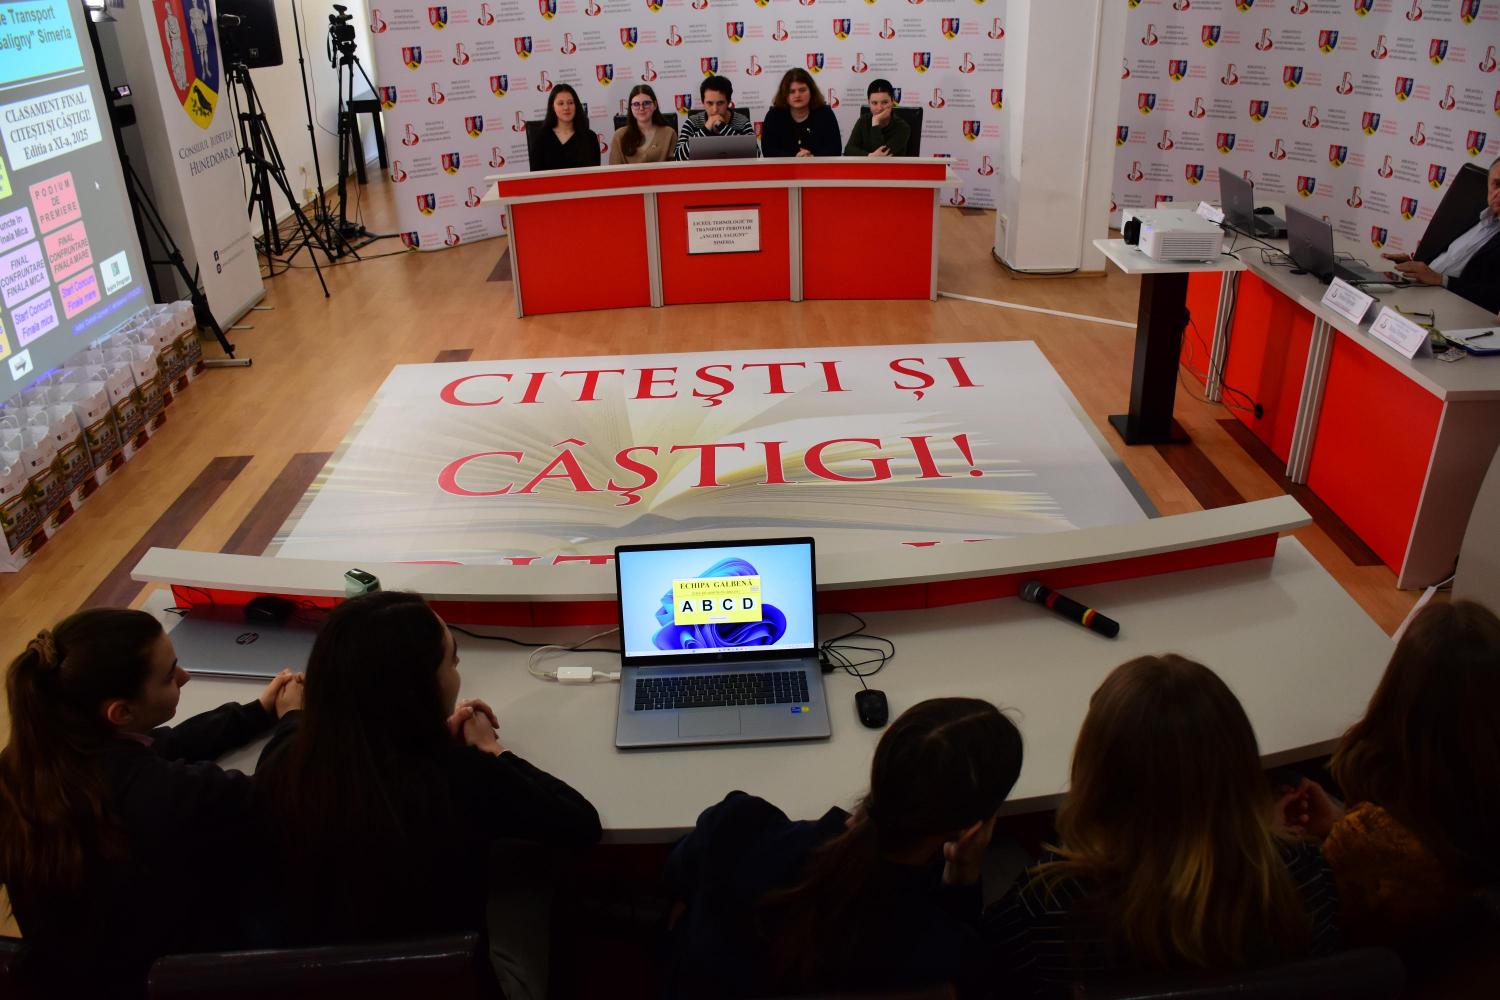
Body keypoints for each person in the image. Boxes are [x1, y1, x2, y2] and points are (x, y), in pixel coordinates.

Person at [254, 591, 601, 953]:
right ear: (421, 688)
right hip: (452, 972)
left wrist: (428, 734)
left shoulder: (284, 763)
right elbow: (580, 824)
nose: (457, 670)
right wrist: (492, 749)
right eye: (452, 660)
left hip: (309, 975)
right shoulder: (463, 777)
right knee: (532, 864)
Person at [986, 655, 1340, 997]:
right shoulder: (1302, 875)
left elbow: (985, 975)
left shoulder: (1050, 901)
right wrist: (1300, 838)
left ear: (1098, 774)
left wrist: (963, 879)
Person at [0, 609, 303, 997]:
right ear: (121, 712)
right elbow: (281, 792)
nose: (185, 677)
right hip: (173, 976)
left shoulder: (35, 759)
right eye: (169, 675)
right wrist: (295, 719)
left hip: (83, 971)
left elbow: (161, 745)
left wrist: (256, 712)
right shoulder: (165, 793)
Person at [664, 698, 1024, 999]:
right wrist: (962, 875)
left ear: (880, 759)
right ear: (971, 829)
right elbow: (961, 954)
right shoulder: (934, 944)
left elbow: (677, 873)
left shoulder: (741, 826)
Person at [1278, 600, 1500, 951]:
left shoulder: (1367, 836)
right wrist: (1339, 823)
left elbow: (1315, 916)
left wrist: (1285, 841)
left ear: (1399, 695)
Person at [1382, 157, 1500, 312]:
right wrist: (1416, 264)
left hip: (1456, 308)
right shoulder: (1472, 212)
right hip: (1420, 289)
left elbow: (1494, 296)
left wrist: (1441, 280)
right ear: (1488, 184)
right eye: (1497, 184)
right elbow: (1448, 258)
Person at [760, 67, 842, 158]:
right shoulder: (774, 116)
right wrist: (795, 158)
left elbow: (835, 149)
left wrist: (813, 157)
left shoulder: (825, 114)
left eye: (802, 90)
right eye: (792, 91)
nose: (797, 95)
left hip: (819, 166)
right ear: (784, 94)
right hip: (784, 167)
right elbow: (768, 151)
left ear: (811, 91)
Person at [674, 74, 754, 160]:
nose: (715, 109)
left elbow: (755, 154)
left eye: (720, 103)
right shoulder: (692, 122)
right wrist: (706, 129)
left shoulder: (742, 122)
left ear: (728, 102)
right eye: (710, 103)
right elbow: (678, 158)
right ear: (703, 102)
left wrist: (723, 127)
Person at [529, 84, 601, 171]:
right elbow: (535, 175)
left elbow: (595, 174)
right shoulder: (541, 138)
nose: (566, 107)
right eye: (561, 103)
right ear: (553, 107)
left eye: (570, 103)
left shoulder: (590, 137)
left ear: (576, 106)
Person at [610, 84, 676, 164]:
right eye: (636, 104)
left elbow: (675, 168)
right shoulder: (619, 136)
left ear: (655, 105)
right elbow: (614, 169)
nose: (641, 108)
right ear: (631, 108)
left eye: (646, 103)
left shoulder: (669, 134)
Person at [844, 78, 911, 158]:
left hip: (891, 166)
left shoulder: (902, 128)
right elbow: (848, 150)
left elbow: (881, 157)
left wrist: (875, 122)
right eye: (874, 103)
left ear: (892, 101)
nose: (879, 108)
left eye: (885, 102)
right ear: (869, 103)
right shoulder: (863, 121)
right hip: (867, 165)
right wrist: (869, 155)